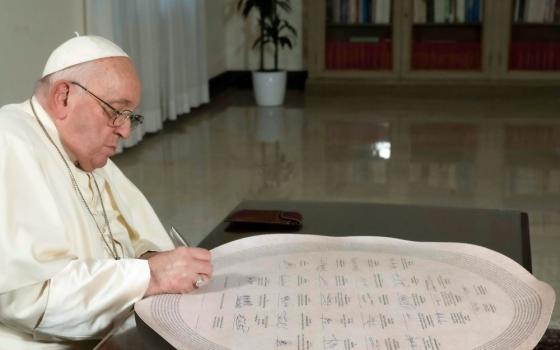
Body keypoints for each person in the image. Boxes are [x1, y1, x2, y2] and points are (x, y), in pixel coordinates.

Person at [0, 35, 213, 349]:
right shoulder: (10, 143)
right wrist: (151, 275)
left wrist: (155, 259)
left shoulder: (82, 148)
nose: (125, 130)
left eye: (131, 116)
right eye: (115, 111)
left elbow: (126, 241)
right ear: (63, 97)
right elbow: (28, 299)